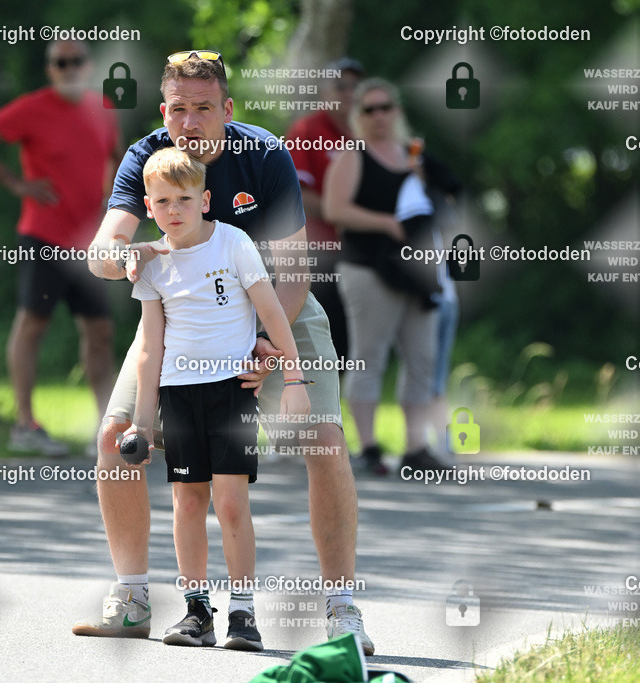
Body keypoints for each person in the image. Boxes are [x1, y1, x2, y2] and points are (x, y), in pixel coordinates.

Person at [73, 51, 374, 655]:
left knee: (325, 441)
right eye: (179, 109)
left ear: (226, 111)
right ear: (164, 111)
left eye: (203, 109)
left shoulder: (264, 154)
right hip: (181, 318)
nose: (190, 122)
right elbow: (104, 247)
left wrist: (265, 347)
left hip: (273, 309)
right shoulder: (146, 158)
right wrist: (121, 258)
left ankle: (342, 609)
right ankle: (132, 597)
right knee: (115, 438)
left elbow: (293, 270)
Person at [124, 147, 312, 650]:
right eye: (163, 201)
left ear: (205, 199)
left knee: (231, 504)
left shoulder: (233, 242)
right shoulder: (151, 265)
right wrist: (142, 423)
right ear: (148, 206)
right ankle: (195, 610)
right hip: (179, 395)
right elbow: (149, 348)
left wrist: (292, 381)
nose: (174, 209)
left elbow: (271, 314)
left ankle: (244, 613)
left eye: (185, 198)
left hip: (232, 390)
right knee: (187, 503)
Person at [0, 39, 122, 456]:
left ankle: (106, 429)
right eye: (59, 63)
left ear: (88, 66)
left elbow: (115, 159)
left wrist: (111, 203)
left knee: (100, 332)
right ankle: (26, 425)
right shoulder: (32, 107)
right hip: (44, 236)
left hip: (91, 241)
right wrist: (16, 184)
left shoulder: (102, 107)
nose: (68, 68)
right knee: (32, 325)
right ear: (50, 69)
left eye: (76, 61)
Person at [322, 78, 461, 476]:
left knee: (423, 358)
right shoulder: (352, 154)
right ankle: (367, 448)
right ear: (358, 115)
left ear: (397, 110)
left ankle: (417, 447)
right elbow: (335, 209)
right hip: (368, 268)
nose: (379, 116)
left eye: (385, 107)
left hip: (418, 271)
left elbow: (449, 196)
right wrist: (385, 222)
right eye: (369, 109)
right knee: (369, 358)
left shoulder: (414, 153)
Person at [284, 57, 364, 362]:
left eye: (356, 86)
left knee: (355, 342)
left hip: (362, 252)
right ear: (323, 93)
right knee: (323, 340)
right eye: (340, 86)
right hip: (321, 254)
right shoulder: (307, 130)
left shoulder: (365, 133)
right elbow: (296, 197)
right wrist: (343, 211)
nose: (349, 93)